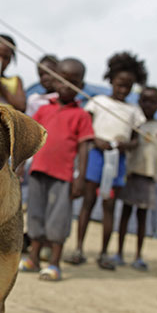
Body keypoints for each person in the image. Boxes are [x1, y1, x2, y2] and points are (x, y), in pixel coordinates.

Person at [65, 52, 147, 270]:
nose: (123, 89)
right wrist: (96, 140)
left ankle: (103, 252)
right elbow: (86, 130)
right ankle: (79, 248)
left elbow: (136, 141)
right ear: (111, 80)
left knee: (109, 205)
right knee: (88, 202)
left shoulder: (134, 112)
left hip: (117, 160)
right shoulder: (97, 103)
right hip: (96, 157)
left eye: (128, 86)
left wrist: (123, 146)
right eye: (120, 84)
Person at [18, 58, 94, 281]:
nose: (65, 86)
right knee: (36, 214)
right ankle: (33, 258)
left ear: (81, 86)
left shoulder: (81, 115)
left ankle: (54, 263)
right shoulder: (43, 110)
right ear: (54, 79)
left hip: (64, 175)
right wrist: (21, 164)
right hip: (39, 170)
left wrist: (80, 178)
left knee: (58, 219)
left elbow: (84, 149)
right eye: (61, 80)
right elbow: (31, 139)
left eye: (72, 82)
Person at [114, 86, 157, 271]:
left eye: (152, 102)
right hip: (130, 174)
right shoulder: (135, 123)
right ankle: (119, 252)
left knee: (142, 216)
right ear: (139, 102)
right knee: (124, 214)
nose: (148, 105)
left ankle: (138, 255)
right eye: (144, 100)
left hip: (148, 176)